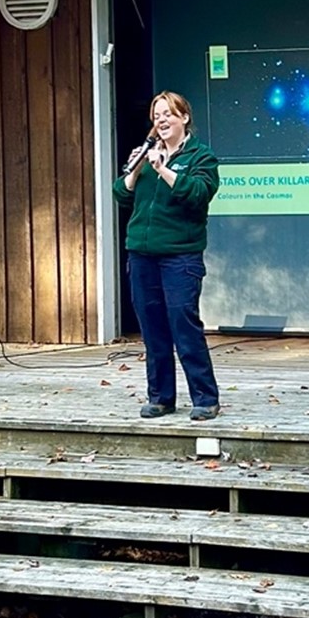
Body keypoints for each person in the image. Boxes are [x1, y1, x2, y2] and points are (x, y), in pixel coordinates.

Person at [112, 91, 222, 421]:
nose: (161, 120)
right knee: (153, 330)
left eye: (168, 114)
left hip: (180, 257)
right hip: (142, 255)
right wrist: (137, 168)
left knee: (183, 326)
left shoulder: (201, 156)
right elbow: (121, 194)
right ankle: (160, 397)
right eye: (156, 115)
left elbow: (199, 194)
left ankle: (205, 399)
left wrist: (164, 170)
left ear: (184, 118)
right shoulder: (148, 155)